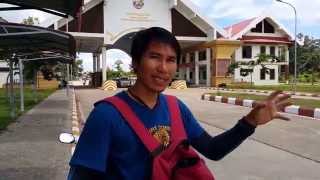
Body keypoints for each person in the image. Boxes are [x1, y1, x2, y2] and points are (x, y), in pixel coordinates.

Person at [68, 27, 291, 179]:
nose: (163, 68)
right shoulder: (106, 116)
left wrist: (249, 122)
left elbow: (212, 150)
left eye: (171, 60)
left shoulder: (176, 108)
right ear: (135, 63)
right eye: (154, 57)